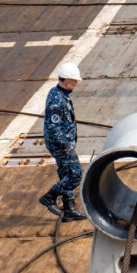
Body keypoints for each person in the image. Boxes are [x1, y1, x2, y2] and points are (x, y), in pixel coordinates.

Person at [39, 62, 87, 222]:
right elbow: (54, 127)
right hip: (61, 145)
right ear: (68, 82)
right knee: (76, 174)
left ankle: (69, 209)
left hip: (63, 143)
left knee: (66, 173)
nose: (75, 85)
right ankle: (50, 196)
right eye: (74, 82)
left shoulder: (59, 95)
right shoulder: (57, 100)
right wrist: (66, 146)